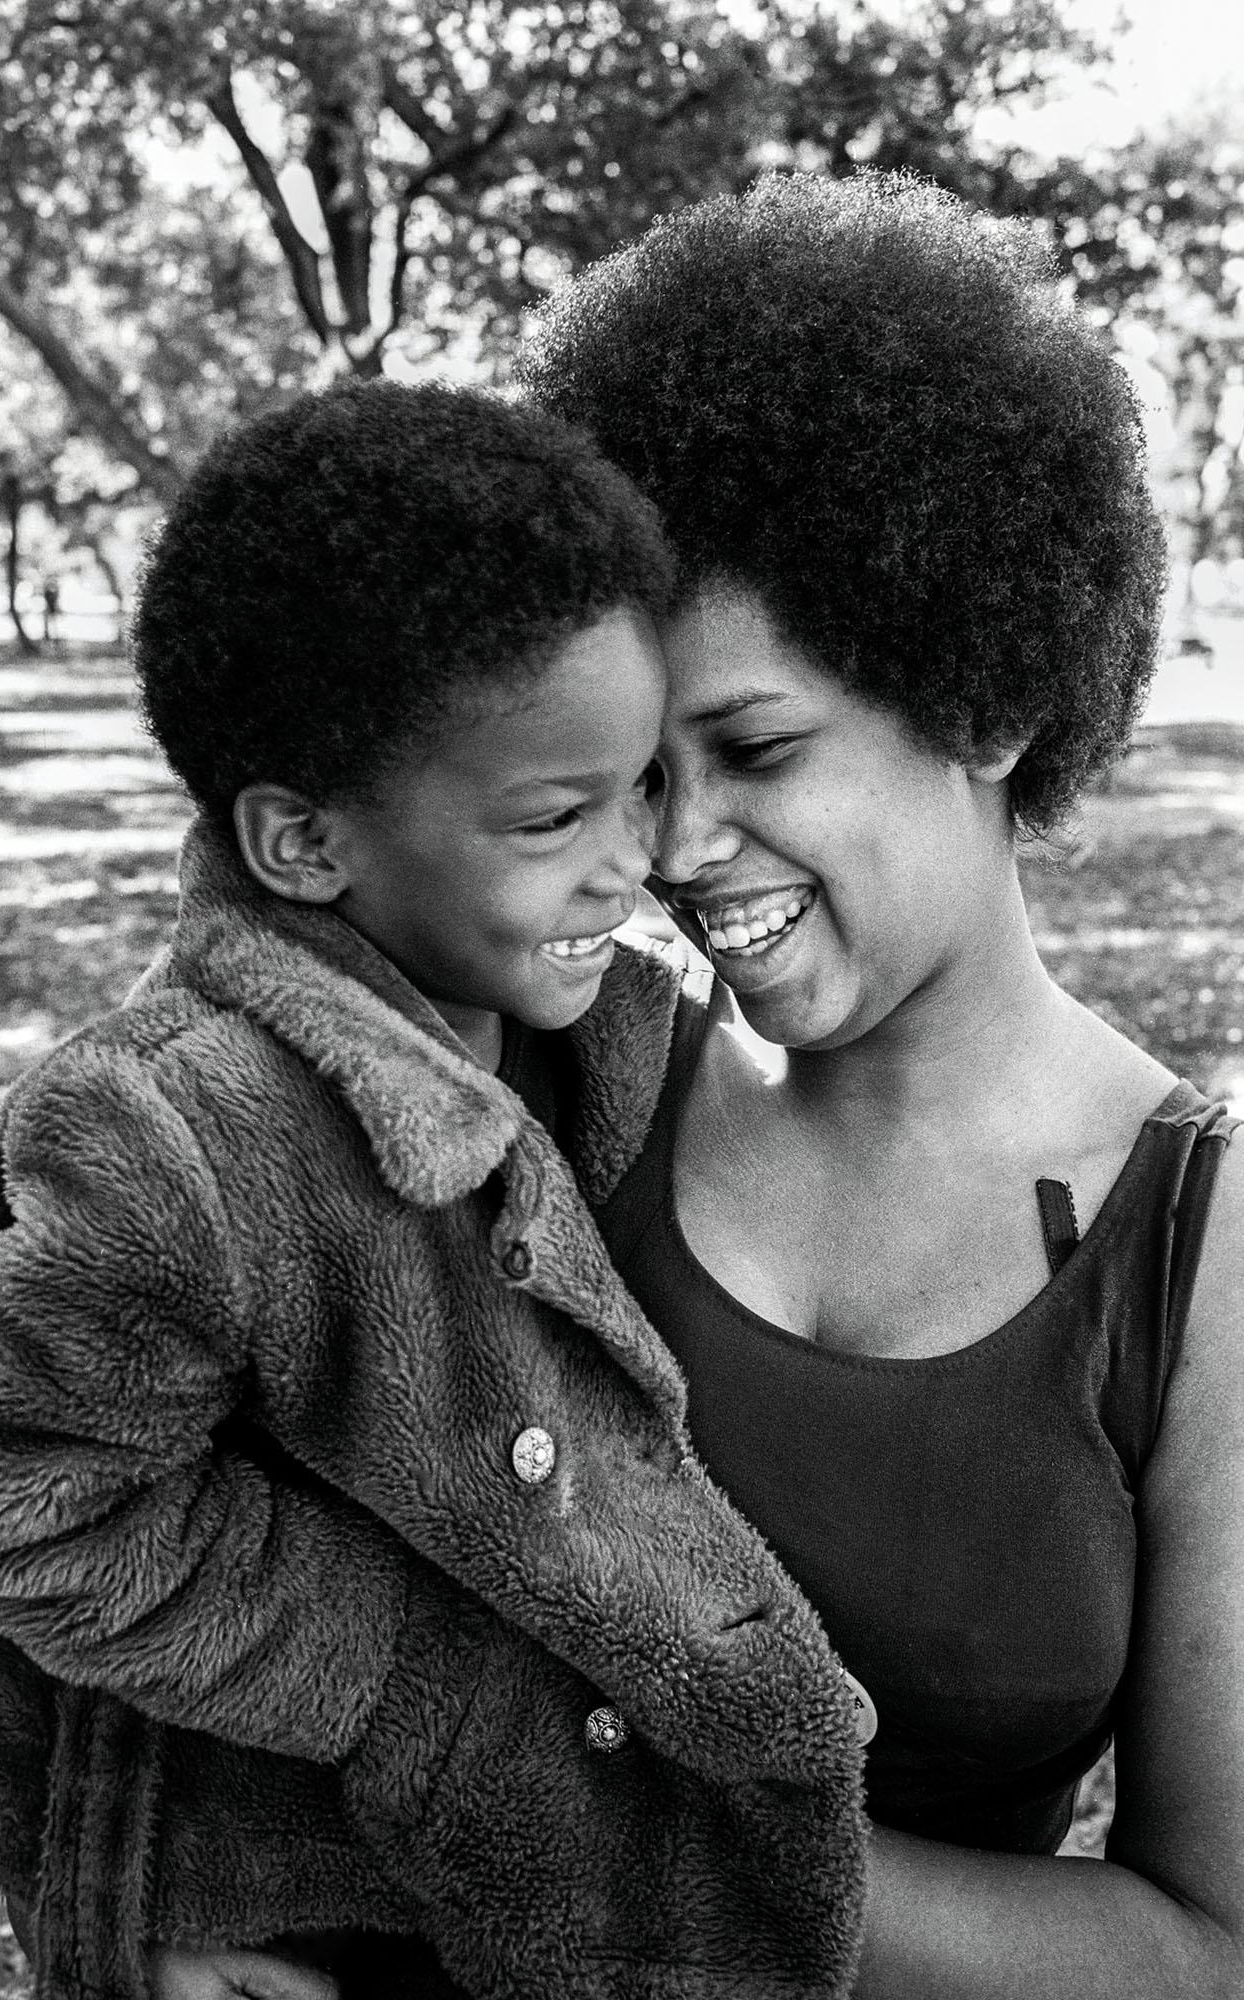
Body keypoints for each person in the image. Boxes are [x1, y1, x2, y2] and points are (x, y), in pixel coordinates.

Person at [0, 380, 868, 2000]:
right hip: (308, 1920)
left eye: (636, 785)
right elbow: (10, 1498)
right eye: (554, 815)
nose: (638, 857)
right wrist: (409, 1681)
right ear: (304, 844)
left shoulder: (612, 1040)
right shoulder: (175, 1129)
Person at [519, 171, 1244, 1997]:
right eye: (635, 771)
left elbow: (1203, 1945)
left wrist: (690, 1859)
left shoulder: (1199, 1251)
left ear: (985, 695)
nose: (677, 847)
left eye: (753, 745)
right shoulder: (551, 1080)